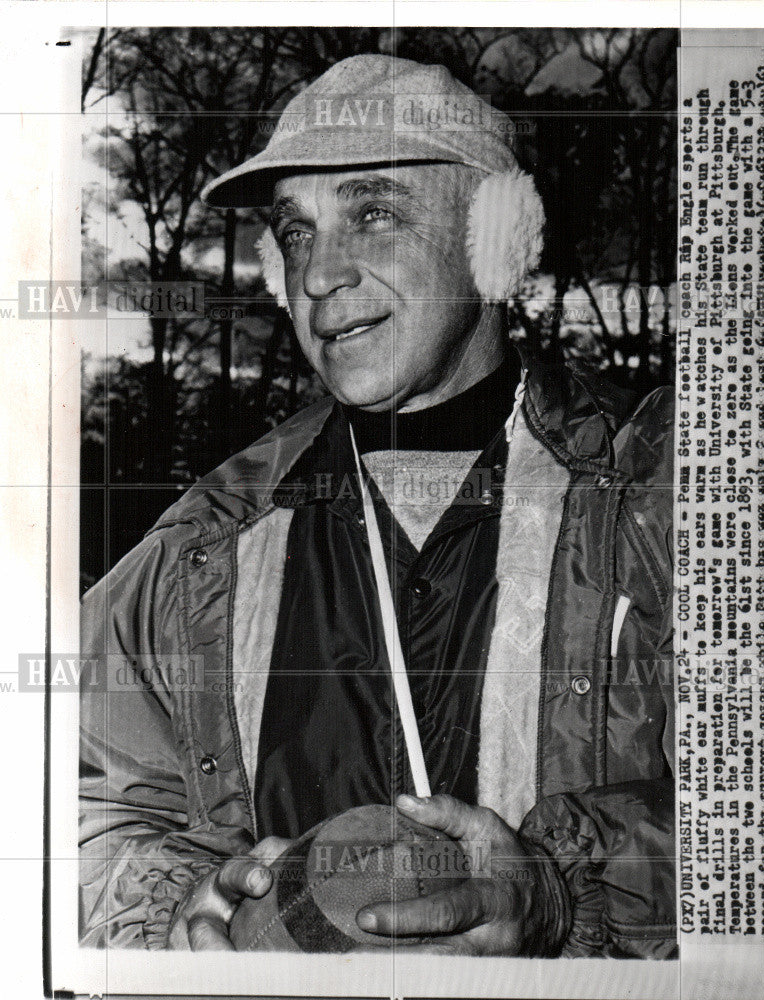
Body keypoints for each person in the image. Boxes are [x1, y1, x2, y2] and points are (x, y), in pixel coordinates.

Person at [80, 54, 676, 957]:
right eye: (296, 232)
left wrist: (562, 902)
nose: (318, 275)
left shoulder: (672, 505)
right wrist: (168, 908)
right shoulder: (198, 547)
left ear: (496, 238)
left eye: (373, 213)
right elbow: (83, 809)